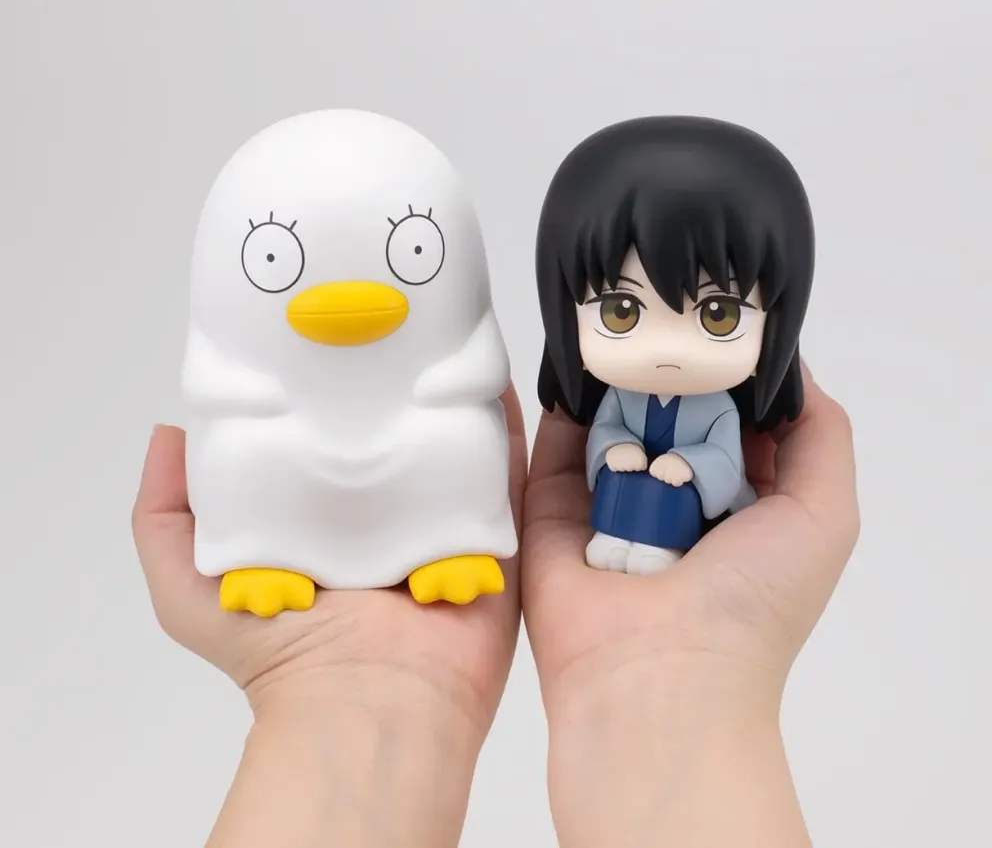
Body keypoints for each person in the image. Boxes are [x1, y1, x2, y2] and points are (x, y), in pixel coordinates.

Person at [132, 363, 859, 847]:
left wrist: (686, 680)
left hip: (682, 504)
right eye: (622, 310)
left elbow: (722, 462)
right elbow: (605, 436)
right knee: (619, 494)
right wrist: (334, 691)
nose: (667, 346)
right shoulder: (617, 400)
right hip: (616, 500)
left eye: (716, 315)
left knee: (659, 502)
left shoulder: (716, 409)